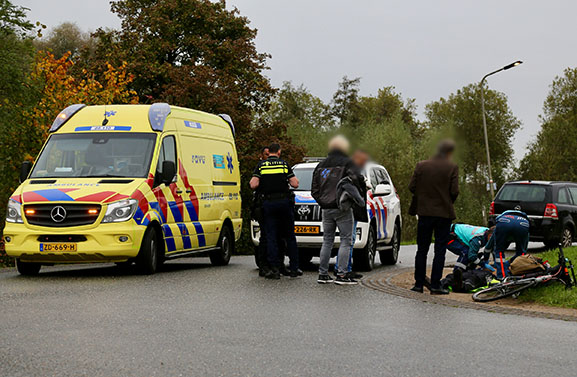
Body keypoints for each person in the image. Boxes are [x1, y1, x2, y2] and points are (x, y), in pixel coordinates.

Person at [408, 139, 459, 294]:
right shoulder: (452, 167)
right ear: (449, 153)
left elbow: (412, 187)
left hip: (424, 213)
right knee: (440, 250)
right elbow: (454, 191)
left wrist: (424, 200)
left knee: (422, 249)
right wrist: (447, 202)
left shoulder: (421, 166)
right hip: (443, 214)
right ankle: (435, 285)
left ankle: (418, 284)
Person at [311, 135, 363, 285]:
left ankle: (323, 274)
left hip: (326, 208)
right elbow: (356, 182)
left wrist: (322, 202)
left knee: (327, 241)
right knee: (346, 240)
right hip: (342, 207)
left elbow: (314, 189)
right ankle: (341, 274)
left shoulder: (320, 165)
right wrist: (355, 200)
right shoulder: (348, 163)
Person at [250, 143, 301, 279]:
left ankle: (274, 269)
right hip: (284, 203)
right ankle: (294, 268)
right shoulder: (284, 165)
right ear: (279, 152)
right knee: (289, 236)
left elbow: (253, 184)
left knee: (271, 236)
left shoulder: (261, 166)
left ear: (269, 152)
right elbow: (295, 183)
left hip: (268, 203)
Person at [334, 149, 369, 278]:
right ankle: (343, 269)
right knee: (348, 240)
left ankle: (343, 267)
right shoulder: (352, 171)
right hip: (351, 209)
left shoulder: (348, 170)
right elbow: (354, 190)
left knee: (347, 240)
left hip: (348, 209)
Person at [485, 210, 530, 277]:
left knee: (499, 251)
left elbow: (489, 246)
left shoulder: (502, 219)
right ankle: (520, 272)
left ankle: (502, 276)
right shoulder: (523, 218)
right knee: (521, 253)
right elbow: (524, 249)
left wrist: (485, 260)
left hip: (504, 222)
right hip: (523, 224)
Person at [252, 146, 272, 276]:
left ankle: (276, 265)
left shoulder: (279, 166)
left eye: (270, 154)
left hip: (275, 206)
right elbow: (253, 184)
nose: (268, 157)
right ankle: (263, 266)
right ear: (261, 156)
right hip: (263, 205)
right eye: (266, 155)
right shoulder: (260, 167)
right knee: (264, 237)